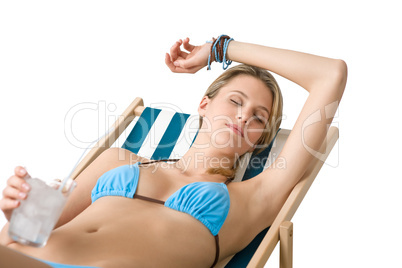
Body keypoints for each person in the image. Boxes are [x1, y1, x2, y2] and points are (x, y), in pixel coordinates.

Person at [0, 35, 347, 268]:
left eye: (258, 117)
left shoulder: (255, 197)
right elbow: (16, 236)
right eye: (235, 101)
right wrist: (20, 212)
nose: (243, 115)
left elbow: (330, 74)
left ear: (260, 139)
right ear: (204, 105)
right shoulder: (117, 159)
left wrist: (219, 48)